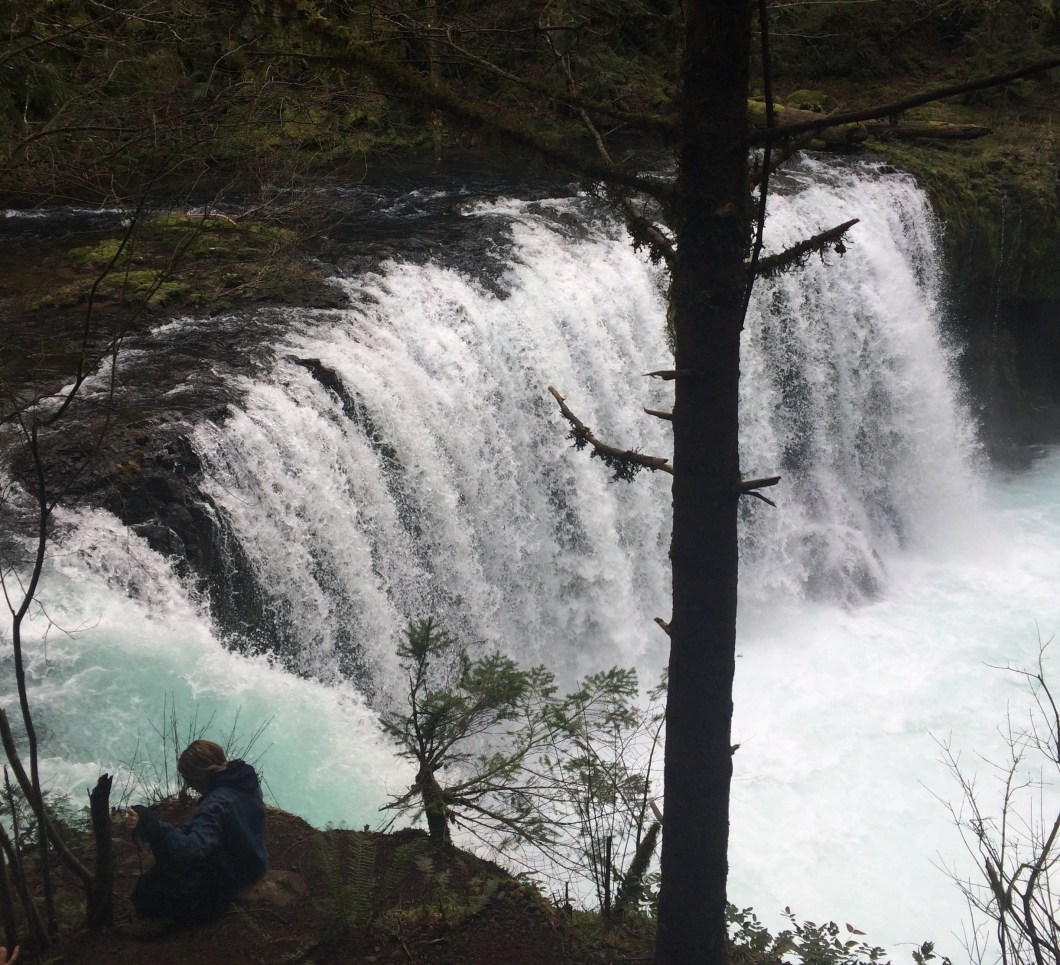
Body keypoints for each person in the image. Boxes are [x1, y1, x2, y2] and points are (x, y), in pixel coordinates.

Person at [129, 740, 268, 923]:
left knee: (147, 893)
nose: (188, 786)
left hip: (235, 875)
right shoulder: (244, 780)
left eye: (188, 779)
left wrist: (150, 826)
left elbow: (191, 851)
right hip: (255, 859)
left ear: (199, 776)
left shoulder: (214, 804)